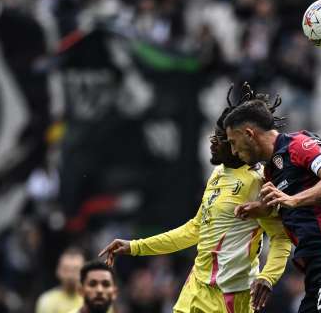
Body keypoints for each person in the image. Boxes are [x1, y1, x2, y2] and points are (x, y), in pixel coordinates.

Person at [99, 86, 291, 313]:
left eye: (221, 138)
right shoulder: (218, 174)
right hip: (196, 287)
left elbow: (280, 237)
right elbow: (194, 229)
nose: (212, 141)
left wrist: (268, 276)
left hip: (230, 296)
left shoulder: (257, 181)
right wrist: (136, 246)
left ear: (238, 141)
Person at [225, 95, 321, 313]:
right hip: (316, 266)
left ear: (249, 134)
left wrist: (292, 200)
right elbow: (292, 204)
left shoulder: (298, 145)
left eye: (233, 143)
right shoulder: (270, 171)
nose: (234, 151)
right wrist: (264, 209)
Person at [36, 247, 85, 313]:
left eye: (75, 270)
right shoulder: (46, 301)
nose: (70, 275)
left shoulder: (92, 300)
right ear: (58, 271)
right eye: (66, 270)